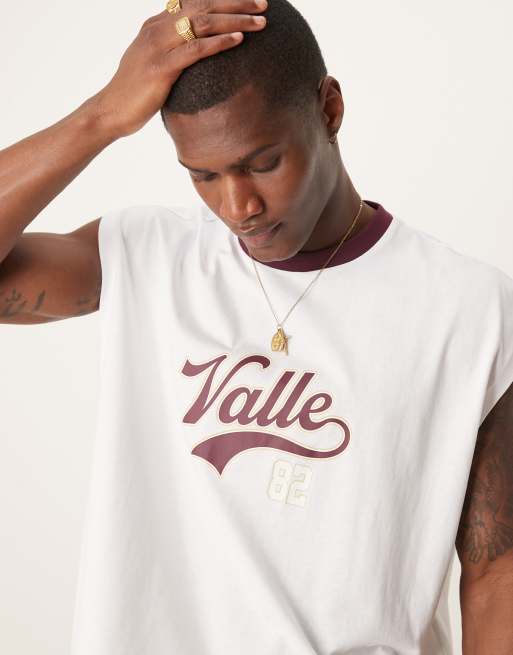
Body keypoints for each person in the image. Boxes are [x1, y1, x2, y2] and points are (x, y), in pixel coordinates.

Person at [1, 0, 512, 653]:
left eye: (262, 163)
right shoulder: (150, 257)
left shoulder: (469, 308)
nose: (237, 206)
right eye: (204, 176)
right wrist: (100, 116)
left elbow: (496, 572)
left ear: (329, 110)